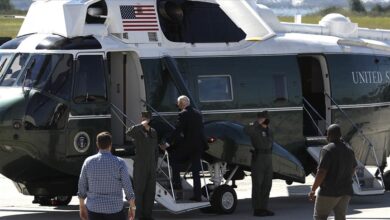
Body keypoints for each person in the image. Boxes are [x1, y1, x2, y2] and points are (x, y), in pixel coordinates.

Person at [78, 132, 136, 220]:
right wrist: (132, 207)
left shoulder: (88, 162)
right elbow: (127, 186)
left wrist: (81, 206)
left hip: (94, 209)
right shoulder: (120, 162)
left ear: (97, 144)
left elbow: (82, 185)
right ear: (110, 144)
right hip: (115, 209)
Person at [160, 95, 207, 202]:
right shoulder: (198, 113)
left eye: (179, 103)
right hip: (199, 145)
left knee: (173, 159)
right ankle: (198, 196)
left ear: (183, 103)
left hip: (189, 145)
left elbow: (177, 130)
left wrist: (167, 143)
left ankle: (177, 183)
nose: (178, 105)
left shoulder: (183, 114)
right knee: (196, 171)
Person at [308, 124, 357, 220]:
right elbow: (354, 167)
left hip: (329, 192)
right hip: (346, 191)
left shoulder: (327, 149)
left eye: (327, 134)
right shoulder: (349, 149)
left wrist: (313, 190)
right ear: (340, 135)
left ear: (329, 135)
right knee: (340, 217)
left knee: (320, 217)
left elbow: (321, 172)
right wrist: (346, 179)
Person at [126, 111, 158, 220]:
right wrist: (141, 125)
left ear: (150, 119)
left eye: (146, 118)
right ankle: (138, 216)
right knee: (139, 191)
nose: (144, 119)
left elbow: (156, 150)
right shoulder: (137, 131)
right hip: (140, 164)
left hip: (151, 165)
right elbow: (128, 132)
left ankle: (148, 215)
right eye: (143, 118)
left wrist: (156, 165)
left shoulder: (153, 131)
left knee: (150, 192)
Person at [244, 110, 274, 217]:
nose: (265, 120)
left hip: (268, 158)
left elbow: (271, 143)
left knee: (267, 185)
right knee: (258, 184)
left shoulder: (269, 130)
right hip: (259, 158)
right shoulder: (254, 128)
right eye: (263, 118)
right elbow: (246, 130)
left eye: (266, 118)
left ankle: (264, 208)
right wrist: (257, 123)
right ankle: (257, 209)